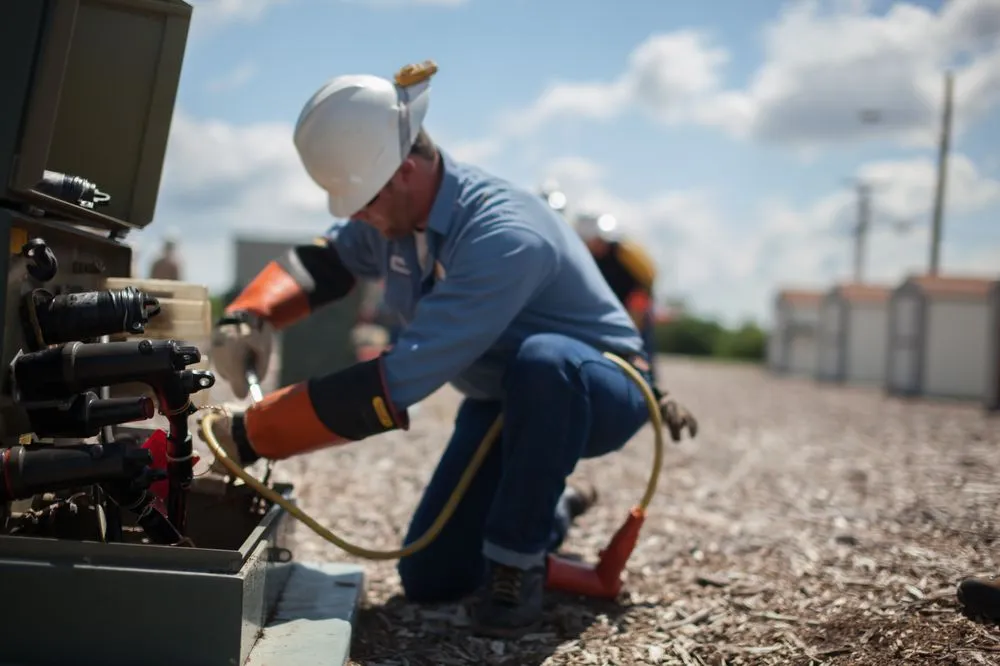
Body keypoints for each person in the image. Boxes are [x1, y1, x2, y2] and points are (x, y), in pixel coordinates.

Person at [204, 61, 698, 638]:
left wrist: (251, 434)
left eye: (363, 203)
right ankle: (550, 509)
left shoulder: (502, 235)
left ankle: (517, 566)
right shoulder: (392, 214)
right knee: (432, 576)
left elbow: (397, 382)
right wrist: (249, 315)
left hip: (595, 389)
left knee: (543, 360)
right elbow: (329, 262)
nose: (358, 218)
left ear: (407, 170)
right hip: (506, 400)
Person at [574, 212, 660, 384]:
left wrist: (635, 318)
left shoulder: (624, 253)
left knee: (640, 350)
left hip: (636, 307)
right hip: (613, 310)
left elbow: (643, 284)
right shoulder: (589, 257)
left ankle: (650, 391)